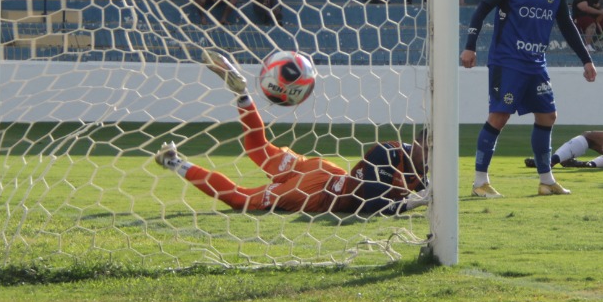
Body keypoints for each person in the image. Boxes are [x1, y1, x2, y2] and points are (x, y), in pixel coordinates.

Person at [156, 52, 428, 215]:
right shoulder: (394, 162)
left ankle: (242, 96)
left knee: (258, 150)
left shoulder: (403, 164)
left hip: (321, 172)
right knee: (241, 198)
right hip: (316, 190)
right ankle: (174, 162)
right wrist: (418, 200)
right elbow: (372, 202)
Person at [462, 0, 597, 198]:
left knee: (548, 116)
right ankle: (479, 182)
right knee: (499, 117)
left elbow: (567, 25)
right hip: (507, 60)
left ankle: (546, 180)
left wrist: (586, 60)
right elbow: (481, 10)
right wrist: (470, 47)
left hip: (536, 62)